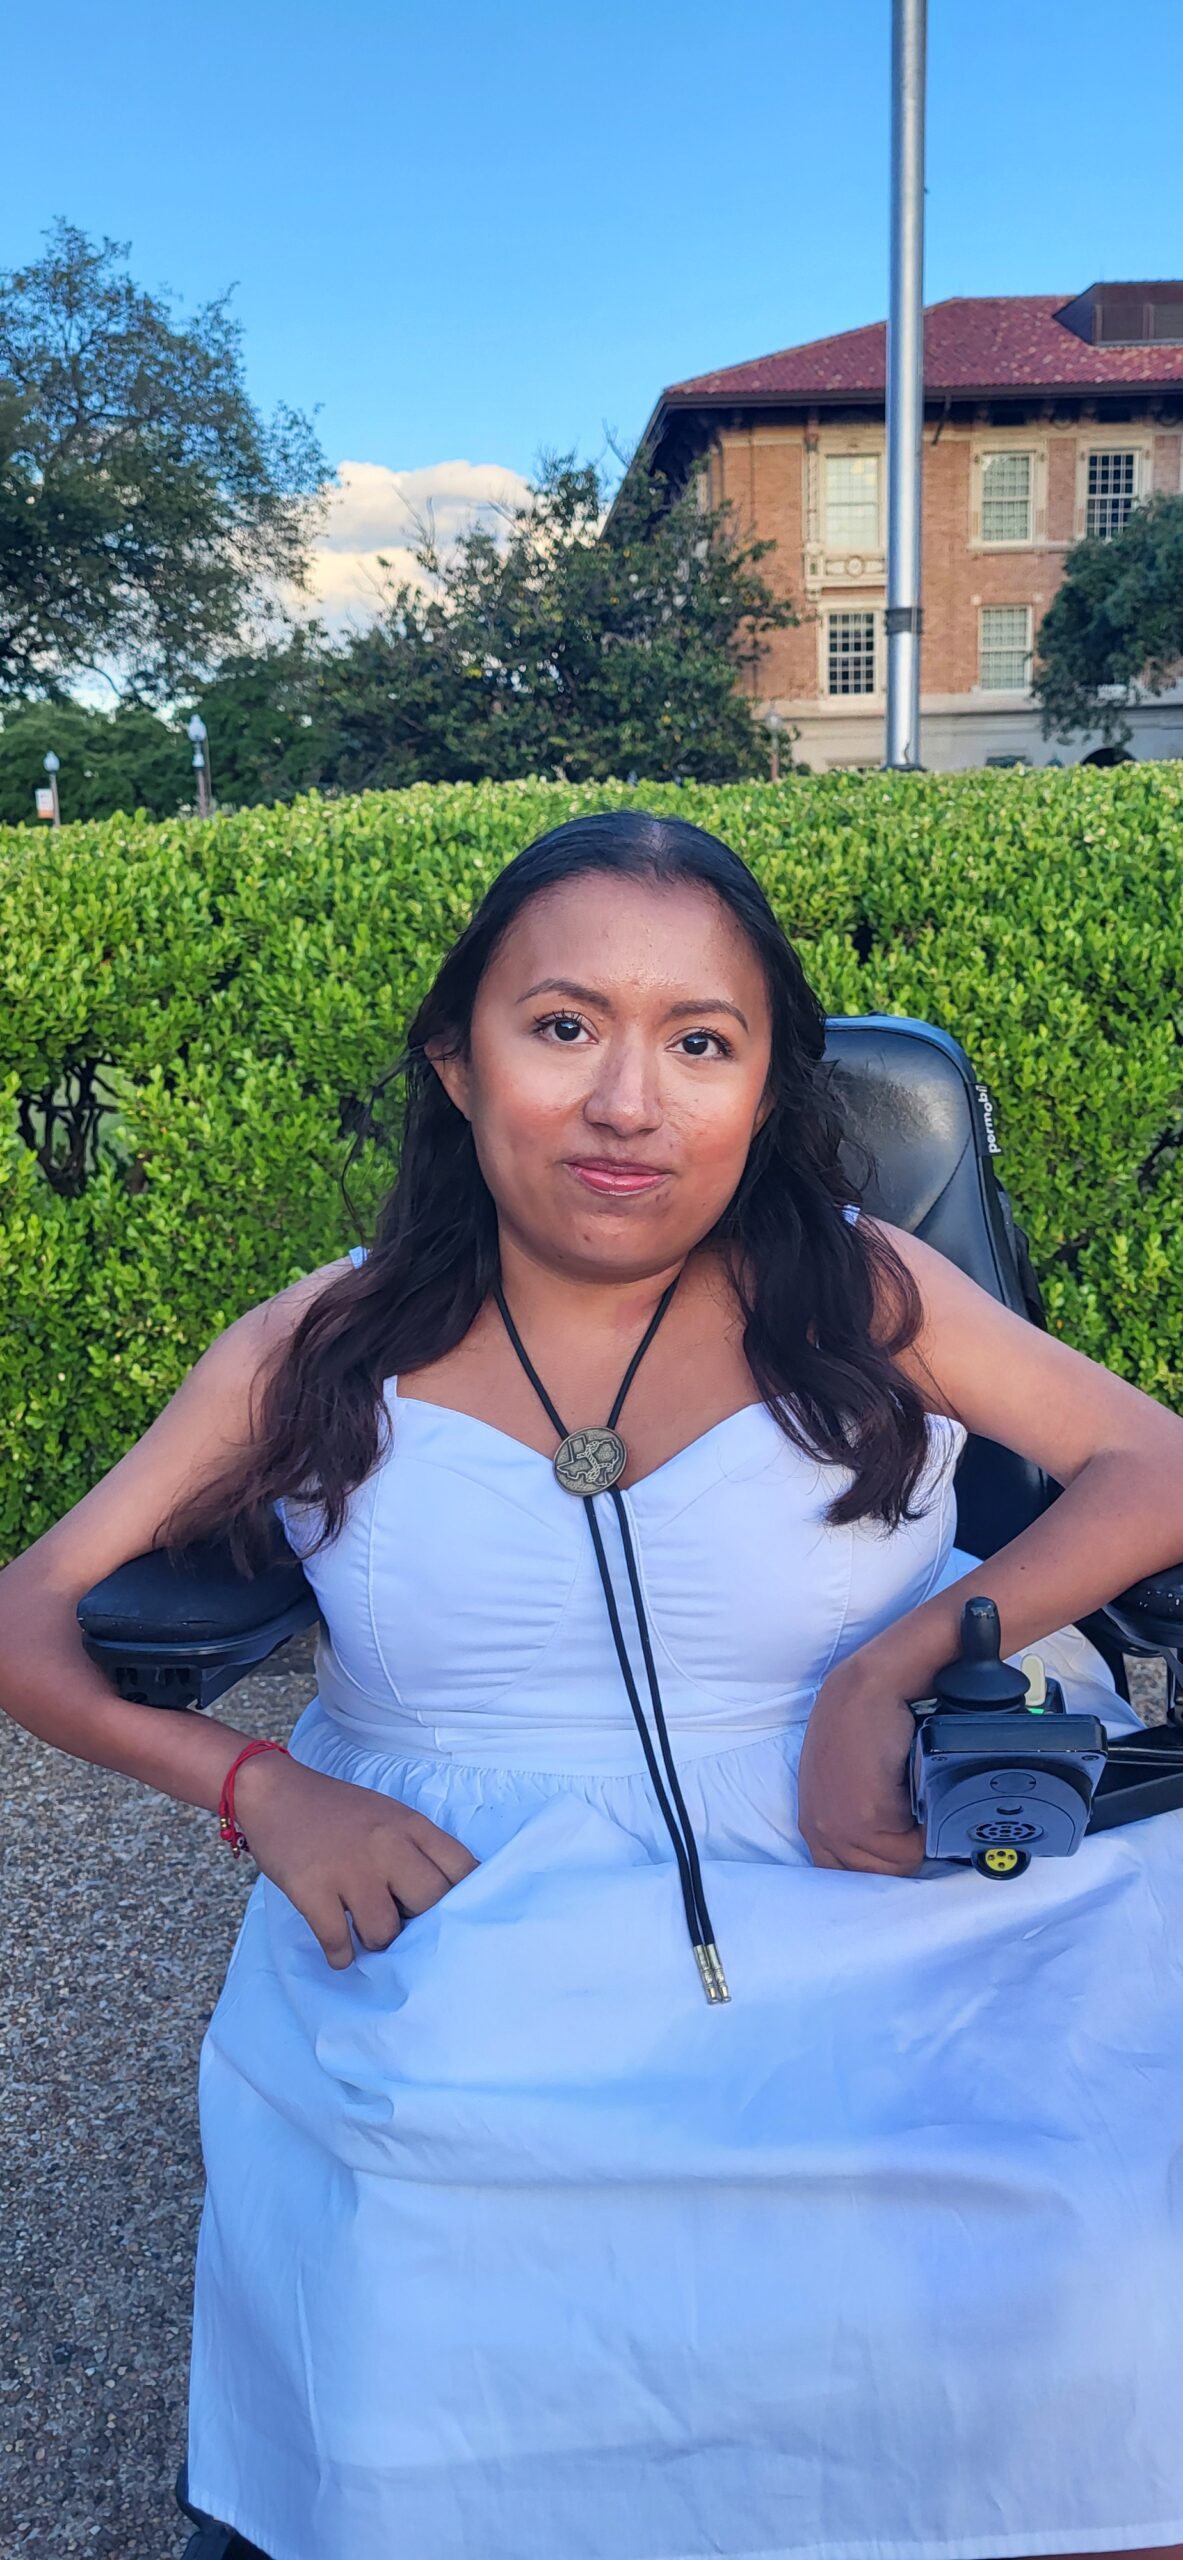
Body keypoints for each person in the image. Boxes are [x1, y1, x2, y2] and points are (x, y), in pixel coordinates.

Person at [3, 808, 1183, 2560]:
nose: (629, 1103)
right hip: (458, 1919)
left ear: (764, 1090)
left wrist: (901, 1658)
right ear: (459, 1065)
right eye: (563, 1028)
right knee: (444, 2312)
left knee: (1097, 2267)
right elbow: (33, 1609)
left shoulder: (861, 1290)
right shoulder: (319, 1344)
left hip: (885, 1880)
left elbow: (1151, 1466)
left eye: (700, 1044)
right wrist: (264, 1789)